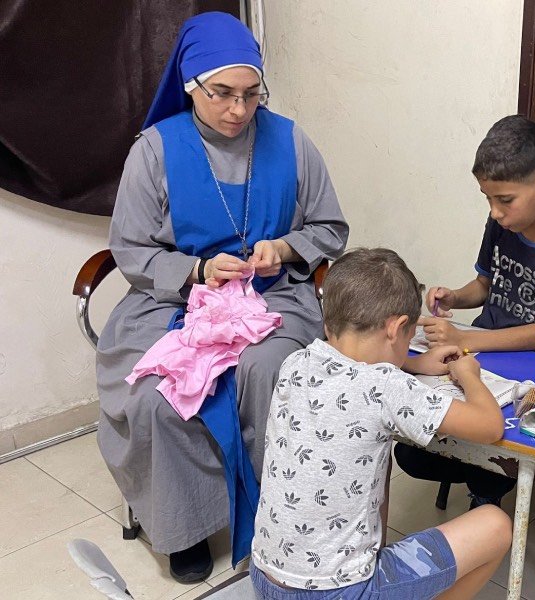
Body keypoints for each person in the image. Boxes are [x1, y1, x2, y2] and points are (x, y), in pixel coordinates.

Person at [96, 12, 348, 583]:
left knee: (270, 369)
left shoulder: (291, 140)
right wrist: (197, 269)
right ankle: (184, 529)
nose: (239, 110)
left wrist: (283, 249)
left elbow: (330, 228)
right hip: (174, 301)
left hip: (272, 296)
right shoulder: (156, 150)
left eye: (251, 94)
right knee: (159, 398)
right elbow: (131, 248)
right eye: (223, 95)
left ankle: (278, 515)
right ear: (191, 86)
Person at [250, 248, 512, 600]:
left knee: (379, 457)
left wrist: (412, 366)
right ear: (397, 328)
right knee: (495, 525)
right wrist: (468, 374)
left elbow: (352, 378)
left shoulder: (296, 361)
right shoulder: (387, 387)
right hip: (336, 593)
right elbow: (490, 425)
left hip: (267, 577)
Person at [395, 114, 535, 508]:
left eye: (504, 200)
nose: (494, 212)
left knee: (491, 461)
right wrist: (455, 297)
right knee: (409, 451)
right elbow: (485, 287)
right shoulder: (502, 224)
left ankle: (485, 496)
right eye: (487, 199)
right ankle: (481, 478)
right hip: (480, 358)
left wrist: (463, 338)